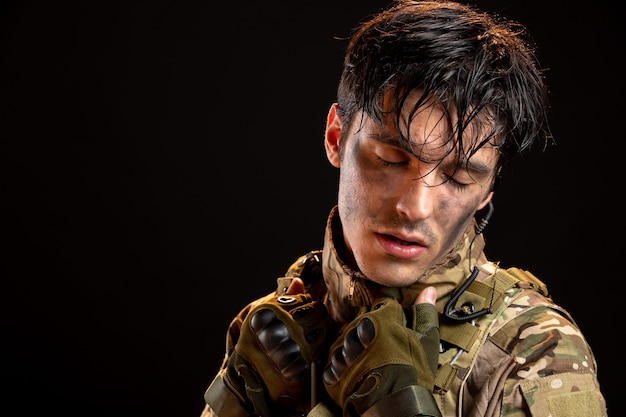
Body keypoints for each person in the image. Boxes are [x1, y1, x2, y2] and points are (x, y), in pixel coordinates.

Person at [199, 1, 607, 416]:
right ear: (336, 137)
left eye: (461, 177)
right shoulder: (271, 330)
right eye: (391, 159)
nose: (415, 206)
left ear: (488, 190)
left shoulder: (534, 348)